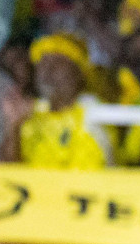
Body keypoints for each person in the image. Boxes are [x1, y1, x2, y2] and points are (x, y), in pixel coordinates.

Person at [15, 33, 114, 168]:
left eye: (58, 63)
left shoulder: (92, 112)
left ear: (79, 73)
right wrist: (13, 127)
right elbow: (6, 175)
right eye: (42, 63)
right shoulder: (29, 113)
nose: (47, 70)